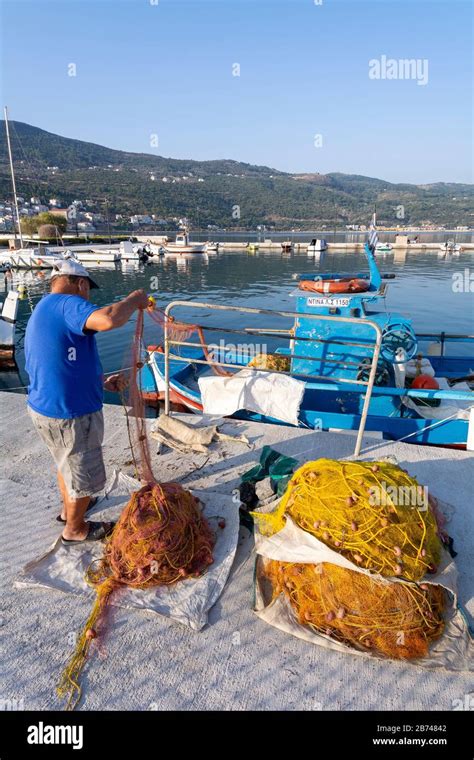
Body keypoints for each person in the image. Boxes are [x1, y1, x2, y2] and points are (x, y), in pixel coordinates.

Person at [24, 260, 150, 544]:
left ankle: (66, 511)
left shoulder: (44, 307)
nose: (88, 297)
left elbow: (59, 360)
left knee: (67, 464)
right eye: (88, 290)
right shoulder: (68, 304)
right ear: (80, 284)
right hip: (71, 415)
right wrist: (134, 299)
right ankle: (75, 528)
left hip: (47, 407)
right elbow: (108, 319)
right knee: (85, 476)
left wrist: (100, 382)